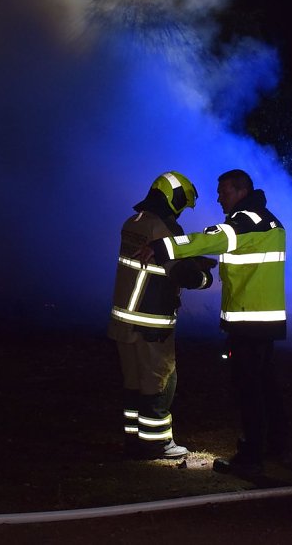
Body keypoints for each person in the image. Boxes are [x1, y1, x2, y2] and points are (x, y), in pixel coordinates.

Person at [135, 169, 287, 476]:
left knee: (248, 391)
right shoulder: (266, 219)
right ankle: (274, 446)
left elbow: (209, 240)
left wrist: (163, 247)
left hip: (248, 321)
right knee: (265, 387)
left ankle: (250, 458)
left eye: (224, 191)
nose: (219, 197)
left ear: (241, 190)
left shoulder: (247, 220)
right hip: (262, 320)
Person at [108, 171, 217, 460]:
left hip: (124, 319)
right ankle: (157, 443)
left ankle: (134, 441)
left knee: (133, 381)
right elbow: (182, 274)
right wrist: (206, 277)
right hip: (152, 320)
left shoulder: (133, 222)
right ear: (175, 199)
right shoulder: (165, 228)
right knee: (160, 381)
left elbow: (155, 262)